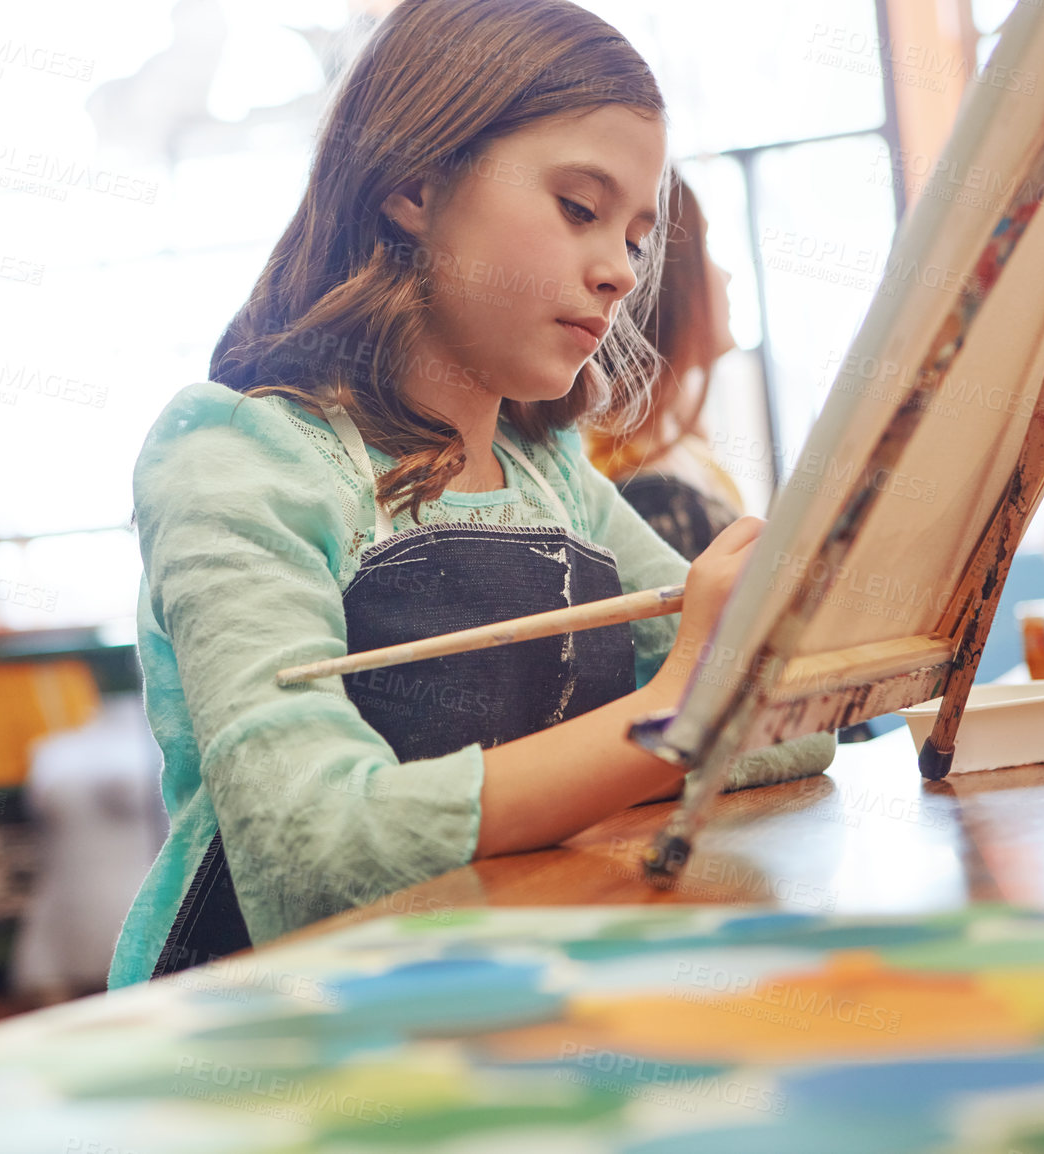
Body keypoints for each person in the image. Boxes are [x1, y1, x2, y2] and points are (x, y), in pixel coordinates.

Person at [108, 0, 834, 989]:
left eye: (634, 234)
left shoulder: (556, 474)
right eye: (580, 209)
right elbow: (310, 851)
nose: (621, 271)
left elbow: (788, 727)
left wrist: (738, 681)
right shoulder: (238, 454)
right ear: (414, 182)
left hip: (506, 972)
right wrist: (677, 713)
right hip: (274, 1026)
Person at [582, 171, 745, 560]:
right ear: (666, 279)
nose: (727, 274)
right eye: (705, 246)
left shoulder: (682, 449)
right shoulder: (646, 498)